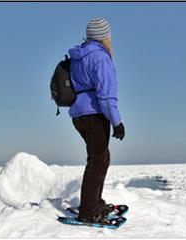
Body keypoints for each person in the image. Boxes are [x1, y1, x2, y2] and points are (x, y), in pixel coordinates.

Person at [68, 18, 125, 224]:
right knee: (97, 161)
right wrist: (117, 122)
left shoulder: (79, 56)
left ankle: (94, 202)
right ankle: (89, 211)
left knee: (100, 158)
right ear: (104, 37)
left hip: (78, 115)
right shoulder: (101, 58)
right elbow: (106, 95)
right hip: (95, 114)